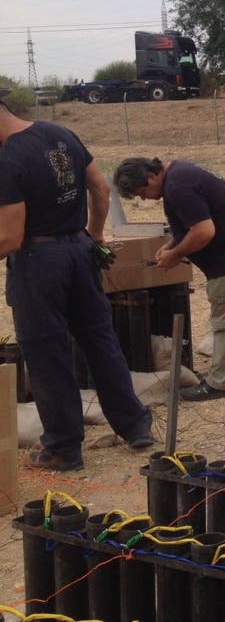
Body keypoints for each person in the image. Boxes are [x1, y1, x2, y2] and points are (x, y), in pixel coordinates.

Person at [0, 88, 153, 472]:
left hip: (38, 261)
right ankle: (134, 425)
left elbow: (10, 237)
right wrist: (94, 234)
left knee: (46, 352)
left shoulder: (7, 159)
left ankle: (63, 448)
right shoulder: (61, 134)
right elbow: (100, 189)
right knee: (100, 339)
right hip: (80, 251)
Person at [113, 157, 225, 401]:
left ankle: (219, 384)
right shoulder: (180, 174)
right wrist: (172, 243)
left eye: (142, 191)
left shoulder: (178, 187)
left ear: (151, 176)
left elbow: (204, 231)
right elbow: (194, 222)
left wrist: (175, 255)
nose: (144, 198)